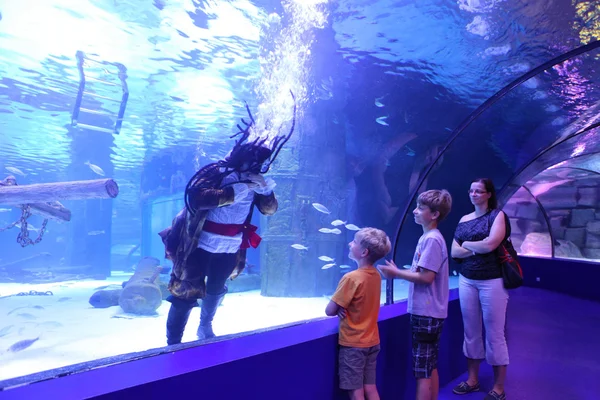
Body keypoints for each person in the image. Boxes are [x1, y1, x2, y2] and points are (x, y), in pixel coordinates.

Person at [159, 97, 296, 345]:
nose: (255, 164)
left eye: (259, 161)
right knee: (184, 292)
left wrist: (265, 192)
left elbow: (270, 210)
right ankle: (173, 341)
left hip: (230, 246)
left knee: (216, 289)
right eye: (252, 159)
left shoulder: (257, 179)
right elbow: (196, 197)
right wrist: (235, 192)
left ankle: (205, 327)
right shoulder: (216, 172)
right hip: (198, 244)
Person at [378, 189, 452, 400]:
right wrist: (401, 271)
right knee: (430, 365)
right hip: (431, 312)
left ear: (435, 214)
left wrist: (396, 273)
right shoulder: (430, 238)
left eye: (421, 208)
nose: (415, 211)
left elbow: (427, 277)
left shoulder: (432, 240)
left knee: (422, 372)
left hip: (426, 312)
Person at [450, 178, 509, 400]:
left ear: (489, 194)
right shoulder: (464, 219)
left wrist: (467, 246)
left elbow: (491, 244)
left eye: (479, 191)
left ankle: (499, 387)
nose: (474, 194)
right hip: (467, 279)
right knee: (471, 331)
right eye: (471, 190)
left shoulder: (497, 216)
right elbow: (454, 252)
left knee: (495, 333)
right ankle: (473, 380)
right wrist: (476, 247)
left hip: (492, 280)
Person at [325, 227, 392, 400]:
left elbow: (329, 311)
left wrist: (339, 307)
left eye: (354, 241)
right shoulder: (375, 275)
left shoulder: (351, 278)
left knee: (355, 390)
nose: (349, 243)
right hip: (372, 340)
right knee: (370, 386)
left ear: (364, 252)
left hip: (353, 343)